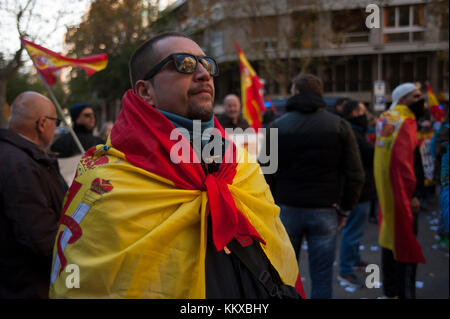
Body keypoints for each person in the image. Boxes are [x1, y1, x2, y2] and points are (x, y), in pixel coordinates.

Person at [49, 31, 303, 299]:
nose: (204, 74)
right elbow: (83, 284)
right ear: (146, 91)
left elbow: (278, 253)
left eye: (206, 64)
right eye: (184, 64)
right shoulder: (106, 180)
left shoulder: (241, 164)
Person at [265, 74, 364, 299]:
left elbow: (266, 173)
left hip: (286, 208)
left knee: (283, 276)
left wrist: (269, 208)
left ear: (296, 92)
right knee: (322, 276)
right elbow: (355, 174)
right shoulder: (340, 126)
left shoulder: (277, 125)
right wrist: (345, 209)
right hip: (325, 209)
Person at [0, 91, 68, 298]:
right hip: (26, 285)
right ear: (42, 123)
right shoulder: (21, 166)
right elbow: (42, 239)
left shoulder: (13, 156)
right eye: (55, 122)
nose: (56, 128)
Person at [374, 82, 426, 299]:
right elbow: (403, 164)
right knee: (403, 242)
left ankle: (391, 290)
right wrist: (412, 194)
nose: (420, 99)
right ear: (403, 99)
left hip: (387, 193)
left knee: (389, 240)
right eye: (415, 96)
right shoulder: (405, 121)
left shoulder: (388, 117)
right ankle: (404, 293)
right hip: (402, 196)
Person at [338, 100, 377, 288]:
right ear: (355, 112)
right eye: (362, 110)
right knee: (352, 231)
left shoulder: (355, 130)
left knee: (356, 229)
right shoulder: (352, 132)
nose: (366, 113)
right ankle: (346, 269)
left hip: (362, 190)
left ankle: (354, 259)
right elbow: (366, 157)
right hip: (358, 191)